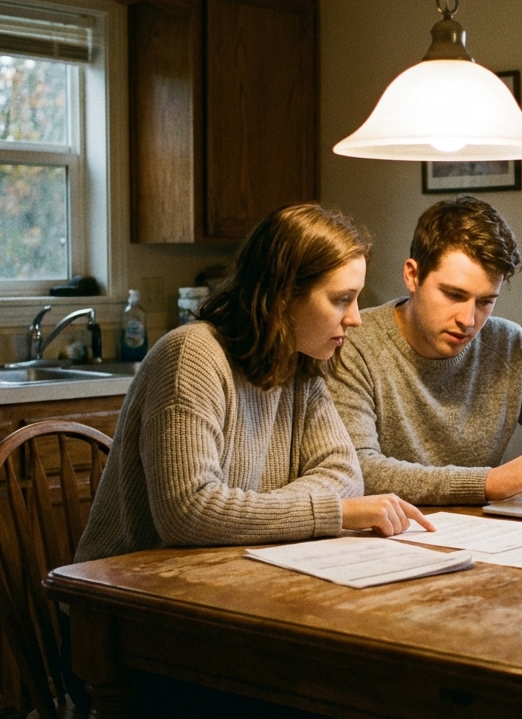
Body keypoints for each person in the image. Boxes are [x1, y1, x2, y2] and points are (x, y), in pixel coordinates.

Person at [76, 203, 432, 563]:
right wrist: (333, 513)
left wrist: (258, 514)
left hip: (233, 568)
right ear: (283, 294)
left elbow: (344, 474)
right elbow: (189, 512)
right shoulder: (191, 356)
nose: (355, 318)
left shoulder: (298, 362)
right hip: (127, 590)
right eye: (341, 300)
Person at [327, 196, 522, 506]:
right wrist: (486, 482)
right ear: (412, 276)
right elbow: (360, 469)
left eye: (485, 302)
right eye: (454, 295)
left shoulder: (509, 346)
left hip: (479, 531)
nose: (468, 320)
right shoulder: (353, 344)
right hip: (389, 539)